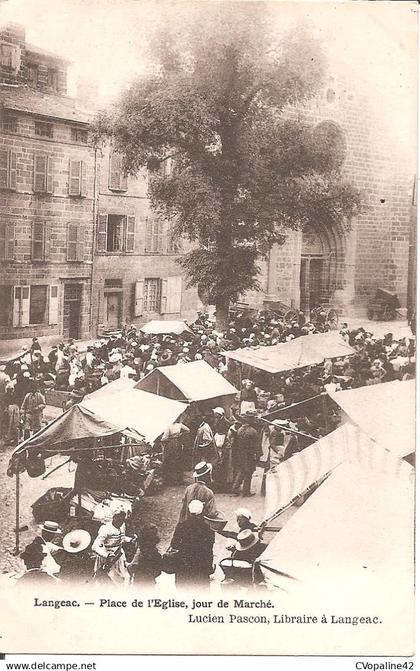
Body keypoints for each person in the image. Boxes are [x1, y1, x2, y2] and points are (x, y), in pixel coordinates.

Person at [170, 500, 215, 588]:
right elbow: (209, 548)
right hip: (201, 567)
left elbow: (174, 544)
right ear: (202, 512)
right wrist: (209, 567)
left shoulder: (181, 526)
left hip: (184, 566)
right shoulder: (208, 528)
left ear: (189, 511)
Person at [92, 510, 132, 584]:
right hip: (107, 557)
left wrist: (130, 540)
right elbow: (95, 546)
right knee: (104, 579)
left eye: (122, 519)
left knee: (121, 578)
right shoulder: (106, 529)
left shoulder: (122, 526)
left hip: (118, 555)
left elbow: (121, 538)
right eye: (118, 519)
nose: (120, 521)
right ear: (114, 517)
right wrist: (106, 555)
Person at [232, 414, 261, 497]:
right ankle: (246, 491)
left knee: (241, 472)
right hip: (249, 455)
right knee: (248, 473)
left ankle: (235, 488)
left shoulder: (239, 430)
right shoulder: (253, 431)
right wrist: (258, 455)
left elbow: (236, 444)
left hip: (240, 454)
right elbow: (257, 445)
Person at [128, 524, 162, 588]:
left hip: (139, 580)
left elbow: (132, 567)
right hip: (150, 581)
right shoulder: (155, 553)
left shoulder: (140, 552)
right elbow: (158, 572)